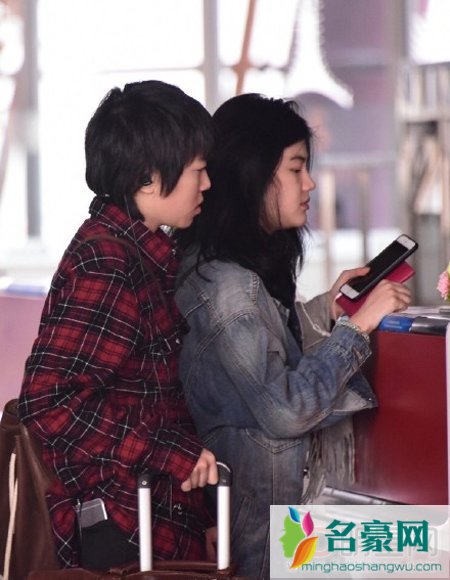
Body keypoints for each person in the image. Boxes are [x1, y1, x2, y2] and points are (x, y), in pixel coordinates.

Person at [174, 93, 412, 579]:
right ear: (253, 174)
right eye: (296, 168)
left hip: (273, 520)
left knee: (419, 552)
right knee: (424, 554)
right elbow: (285, 408)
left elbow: (257, 352)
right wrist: (356, 327)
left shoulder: (222, 272)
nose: (310, 184)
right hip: (266, 537)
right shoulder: (230, 289)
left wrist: (329, 307)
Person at [17, 80, 218, 571]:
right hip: (123, 529)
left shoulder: (137, 252)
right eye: (197, 170)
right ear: (148, 179)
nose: (207, 184)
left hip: (153, 517)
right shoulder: (108, 262)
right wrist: (170, 452)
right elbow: (49, 402)